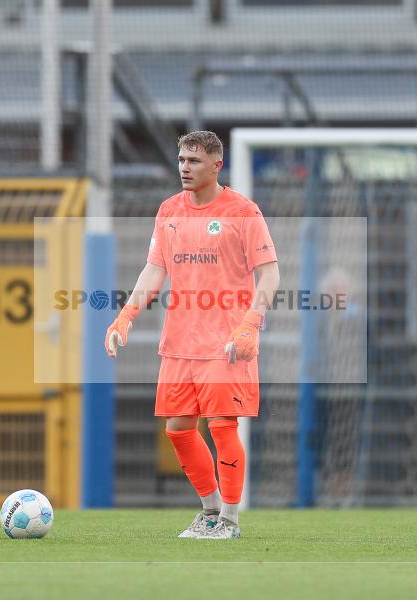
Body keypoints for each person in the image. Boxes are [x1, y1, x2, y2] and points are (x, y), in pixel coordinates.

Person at [105, 130, 280, 539]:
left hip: (226, 343)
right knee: (179, 430)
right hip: (180, 343)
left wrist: (251, 325)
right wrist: (126, 314)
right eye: (182, 159)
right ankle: (209, 511)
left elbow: (270, 273)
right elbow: (155, 269)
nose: (185, 167)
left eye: (194, 161)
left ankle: (231, 521)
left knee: (222, 426)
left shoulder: (243, 211)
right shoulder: (169, 210)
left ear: (217, 165)